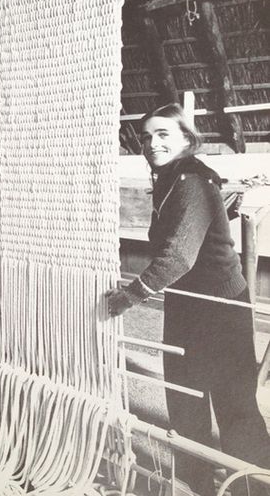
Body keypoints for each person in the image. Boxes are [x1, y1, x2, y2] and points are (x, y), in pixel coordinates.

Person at [107, 103, 270, 496]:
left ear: (186, 139)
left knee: (234, 405)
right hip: (187, 304)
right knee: (184, 401)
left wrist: (130, 295)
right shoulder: (173, 179)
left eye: (163, 134)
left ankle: (257, 487)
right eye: (146, 136)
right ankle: (197, 487)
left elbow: (179, 255)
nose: (151, 143)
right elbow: (191, 224)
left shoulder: (192, 180)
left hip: (219, 307)